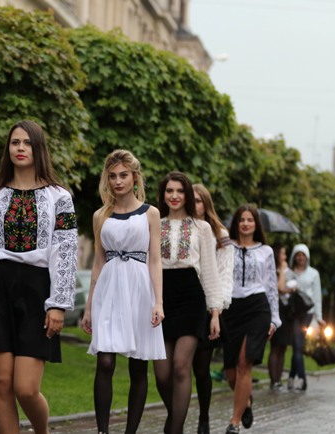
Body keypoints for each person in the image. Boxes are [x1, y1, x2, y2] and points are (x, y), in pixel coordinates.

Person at [0, 120, 78, 434]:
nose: (20, 148)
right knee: (1, 383)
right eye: (14, 143)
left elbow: (65, 251)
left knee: (25, 388)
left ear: (38, 148)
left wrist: (58, 304)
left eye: (26, 142)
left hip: (38, 291)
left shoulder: (59, 197)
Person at [81, 150, 165, 434]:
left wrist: (158, 302)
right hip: (109, 288)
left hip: (140, 287)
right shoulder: (99, 215)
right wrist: (89, 307)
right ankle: (102, 431)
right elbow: (98, 262)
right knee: (105, 361)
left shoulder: (151, 213)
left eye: (123, 175)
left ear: (134, 177)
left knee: (138, 366)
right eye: (113, 176)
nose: (118, 181)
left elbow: (155, 260)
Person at [153, 172, 222, 434]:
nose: (174, 196)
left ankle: (174, 429)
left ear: (187, 196)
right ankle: (176, 417)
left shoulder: (201, 228)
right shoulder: (154, 223)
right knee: (161, 373)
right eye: (169, 191)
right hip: (161, 297)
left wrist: (214, 312)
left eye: (179, 191)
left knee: (182, 367)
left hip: (191, 298)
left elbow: (210, 271)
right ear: (163, 194)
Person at [222, 204, 281, 434]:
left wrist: (274, 319)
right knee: (230, 371)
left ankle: (234, 422)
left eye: (250, 220)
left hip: (258, 307)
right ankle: (246, 401)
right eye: (241, 220)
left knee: (244, 362)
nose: (245, 223)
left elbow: (271, 286)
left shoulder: (266, 251)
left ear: (256, 225)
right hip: (231, 308)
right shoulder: (226, 246)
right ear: (236, 223)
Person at [191, 184, 234, 434]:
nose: (195, 205)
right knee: (179, 366)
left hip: (209, 307)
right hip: (183, 304)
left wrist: (216, 307)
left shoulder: (220, 234)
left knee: (201, 368)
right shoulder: (181, 228)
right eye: (191, 200)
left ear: (206, 204)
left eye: (199, 201)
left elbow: (224, 275)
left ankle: (204, 417)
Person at [287, 243, 324, 392]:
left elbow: (317, 296)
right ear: (294, 257)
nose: (300, 257)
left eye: (303, 255)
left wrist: (319, 317)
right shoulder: (289, 273)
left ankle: (299, 378)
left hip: (307, 313)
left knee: (297, 344)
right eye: (298, 255)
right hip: (294, 312)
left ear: (307, 257)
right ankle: (294, 377)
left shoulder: (314, 274)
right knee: (297, 345)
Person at [267, 243, 291, 390]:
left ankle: (279, 379)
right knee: (275, 346)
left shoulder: (286, 271)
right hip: (276, 311)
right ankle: (273, 380)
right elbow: (280, 288)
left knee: (283, 347)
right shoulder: (273, 270)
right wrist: (282, 270)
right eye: (283, 254)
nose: (285, 257)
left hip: (286, 313)